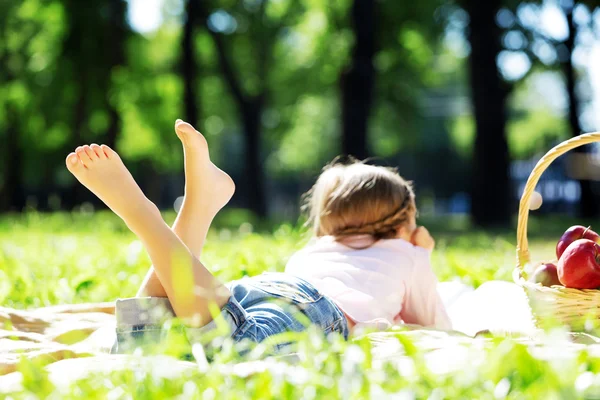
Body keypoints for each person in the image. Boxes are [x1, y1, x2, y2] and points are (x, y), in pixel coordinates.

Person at [64, 119, 448, 355]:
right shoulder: (407, 254)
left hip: (266, 288)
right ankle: (145, 218)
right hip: (316, 311)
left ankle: (196, 208)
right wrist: (421, 253)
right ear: (403, 225)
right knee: (231, 346)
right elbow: (435, 325)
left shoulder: (315, 250)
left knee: (143, 346)